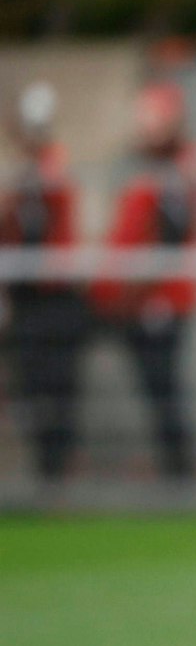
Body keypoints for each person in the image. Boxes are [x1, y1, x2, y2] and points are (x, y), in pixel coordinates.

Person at [90, 80, 196, 482]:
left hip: (157, 302)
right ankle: (176, 470)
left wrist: (131, 295)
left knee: (163, 388)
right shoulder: (154, 170)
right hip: (131, 297)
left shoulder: (178, 172)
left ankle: (180, 473)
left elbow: (169, 243)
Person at [0, 81, 88, 485]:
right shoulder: (18, 186)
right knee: (31, 388)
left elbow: (62, 207)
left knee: (60, 389)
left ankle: (58, 474)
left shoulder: (55, 175)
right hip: (26, 302)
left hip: (58, 299)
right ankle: (42, 473)